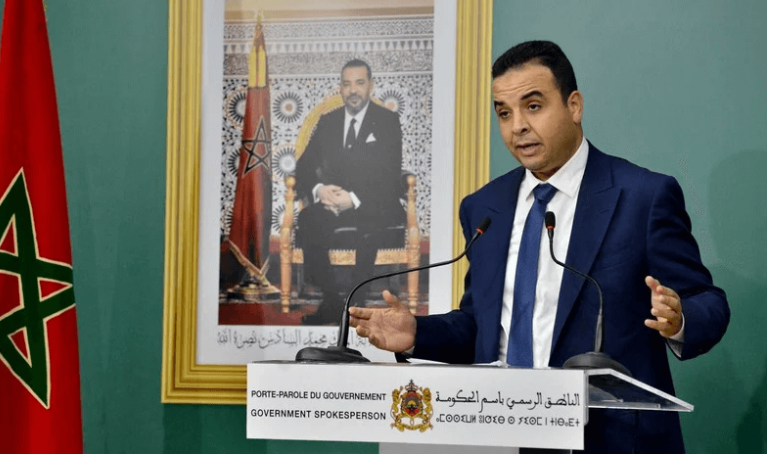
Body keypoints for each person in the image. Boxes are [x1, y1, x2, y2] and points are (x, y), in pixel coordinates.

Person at [349, 41, 729, 453]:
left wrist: (679, 318)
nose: (517, 127)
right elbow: (481, 325)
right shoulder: (484, 207)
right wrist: (416, 333)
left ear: (574, 106)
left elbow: (707, 302)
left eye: (533, 106)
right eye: (504, 113)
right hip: (500, 436)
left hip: (612, 439)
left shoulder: (643, 196)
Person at [296, 59, 405, 325]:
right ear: (340, 88)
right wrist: (320, 190)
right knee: (308, 218)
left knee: (370, 222)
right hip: (334, 203)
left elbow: (390, 174)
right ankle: (332, 300)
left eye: (359, 83)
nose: (353, 90)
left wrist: (354, 199)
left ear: (371, 85)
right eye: (346, 84)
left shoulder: (387, 121)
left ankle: (356, 303)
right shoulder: (328, 122)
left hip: (374, 203)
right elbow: (304, 166)